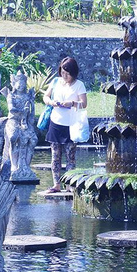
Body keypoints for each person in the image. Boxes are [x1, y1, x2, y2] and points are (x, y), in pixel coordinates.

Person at [43, 57, 87, 193]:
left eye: (67, 74)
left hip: (71, 125)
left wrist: (72, 103)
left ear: (73, 73)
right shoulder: (56, 82)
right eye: (62, 73)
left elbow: (84, 104)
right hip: (56, 122)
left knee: (70, 156)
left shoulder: (79, 85)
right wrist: (52, 102)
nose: (64, 76)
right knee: (55, 156)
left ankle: (69, 184)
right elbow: (45, 97)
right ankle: (56, 184)